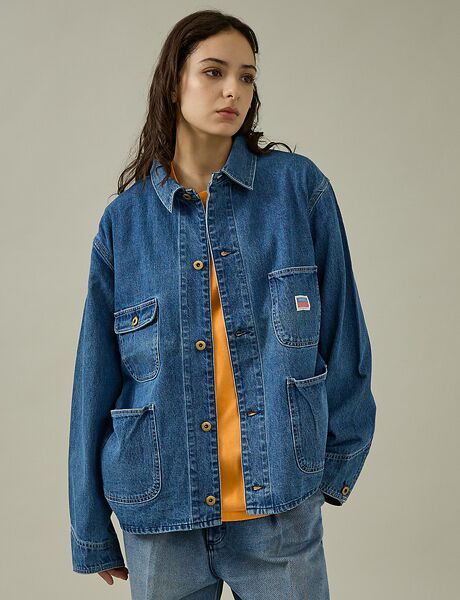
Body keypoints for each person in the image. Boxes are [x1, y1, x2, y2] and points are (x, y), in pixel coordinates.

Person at [67, 9, 377, 599]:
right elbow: (94, 377)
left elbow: (346, 337)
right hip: (160, 512)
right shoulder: (124, 224)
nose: (233, 89)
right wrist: (90, 527)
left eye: (246, 76)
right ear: (173, 83)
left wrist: (332, 469)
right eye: (213, 72)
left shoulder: (298, 190)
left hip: (278, 505)